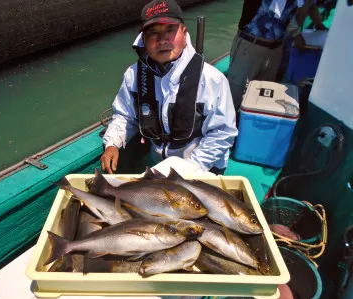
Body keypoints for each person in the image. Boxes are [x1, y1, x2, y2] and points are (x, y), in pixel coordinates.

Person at [100, 0, 238, 175]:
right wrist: (112, 143)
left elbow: (222, 133)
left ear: (184, 32)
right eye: (153, 33)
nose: (162, 40)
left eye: (170, 30)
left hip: (201, 166)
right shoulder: (133, 75)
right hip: (157, 165)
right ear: (143, 39)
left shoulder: (211, 79)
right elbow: (125, 116)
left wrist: (188, 170)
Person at [227, 0, 312, 111]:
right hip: (251, 45)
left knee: (264, 95)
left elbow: (286, 15)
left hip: (275, 51)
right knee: (236, 92)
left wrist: (296, 33)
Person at [276, 0, 328, 81]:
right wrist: (296, 35)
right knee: (275, 66)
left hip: (290, 36)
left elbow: (311, 6)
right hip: (276, 36)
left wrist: (318, 23)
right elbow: (284, 13)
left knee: (284, 66)